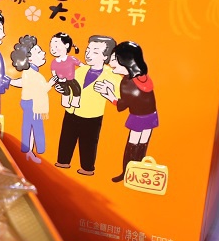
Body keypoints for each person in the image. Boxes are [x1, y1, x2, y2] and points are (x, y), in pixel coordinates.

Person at [54, 34, 121, 176]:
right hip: (71, 111)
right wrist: (63, 89)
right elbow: (71, 87)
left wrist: (108, 92)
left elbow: (121, 100)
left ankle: (87, 168)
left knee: (89, 143)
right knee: (66, 138)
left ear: (105, 56)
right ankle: (63, 161)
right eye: (88, 50)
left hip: (92, 116)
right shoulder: (80, 70)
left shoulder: (112, 76)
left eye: (95, 52)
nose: (88, 54)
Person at [95, 41, 159, 183]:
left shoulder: (127, 83)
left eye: (114, 59)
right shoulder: (143, 77)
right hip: (151, 115)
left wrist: (108, 94)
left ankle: (128, 173)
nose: (110, 63)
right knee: (142, 144)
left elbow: (122, 105)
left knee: (134, 144)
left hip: (138, 117)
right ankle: (133, 173)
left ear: (125, 61)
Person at [9, 35, 57, 163]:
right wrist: (51, 83)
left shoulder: (31, 73)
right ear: (29, 58)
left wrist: (10, 81)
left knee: (29, 128)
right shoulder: (32, 73)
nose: (43, 53)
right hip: (33, 104)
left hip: (30, 103)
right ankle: (30, 152)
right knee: (34, 128)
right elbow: (41, 89)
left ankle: (29, 151)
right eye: (39, 52)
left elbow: (22, 83)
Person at [49, 32, 82, 108]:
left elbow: (82, 65)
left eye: (56, 46)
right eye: (51, 47)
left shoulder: (71, 59)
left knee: (77, 89)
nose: (53, 49)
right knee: (66, 91)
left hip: (71, 79)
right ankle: (65, 103)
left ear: (66, 45)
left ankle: (75, 102)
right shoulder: (54, 62)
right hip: (61, 80)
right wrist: (58, 79)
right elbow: (53, 72)